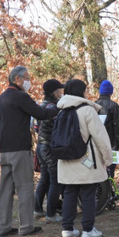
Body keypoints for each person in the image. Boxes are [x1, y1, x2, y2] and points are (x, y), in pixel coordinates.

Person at [0, 66, 59, 237]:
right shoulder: (21, 96)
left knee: (5, 190)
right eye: (27, 78)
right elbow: (42, 113)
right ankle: (27, 226)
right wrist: (60, 107)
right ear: (17, 79)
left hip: (4, 151)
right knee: (25, 188)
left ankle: (2, 227)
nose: (29, 81)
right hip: (20, 150)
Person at [57, 79, 113, 237]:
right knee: (88, 193)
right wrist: (108, 159)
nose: (87, 92)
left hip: (66, 159)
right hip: (86, 159)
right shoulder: (87, 110)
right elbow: (101, 138)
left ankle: (67, 229)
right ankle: (88, 229)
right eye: (86, 90)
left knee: (69, 193)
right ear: (80, 91)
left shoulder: (61, 110)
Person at [34, 79, 65, 223]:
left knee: (44, 179)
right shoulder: (54, 108)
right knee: (55, 182)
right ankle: (51, 214)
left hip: (41, 146)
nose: (61, 92)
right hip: (50, 148)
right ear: (54, 92)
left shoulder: (42, 105)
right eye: (60, 89)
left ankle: (38, 209)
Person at [95, 80, 119, 178]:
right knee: (111, 168)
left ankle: (100, 190)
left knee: (98, 165)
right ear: (111, 92)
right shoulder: (114, 106)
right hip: (112, 143)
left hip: (96, 143)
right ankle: (110, 189)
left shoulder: (93, 105)